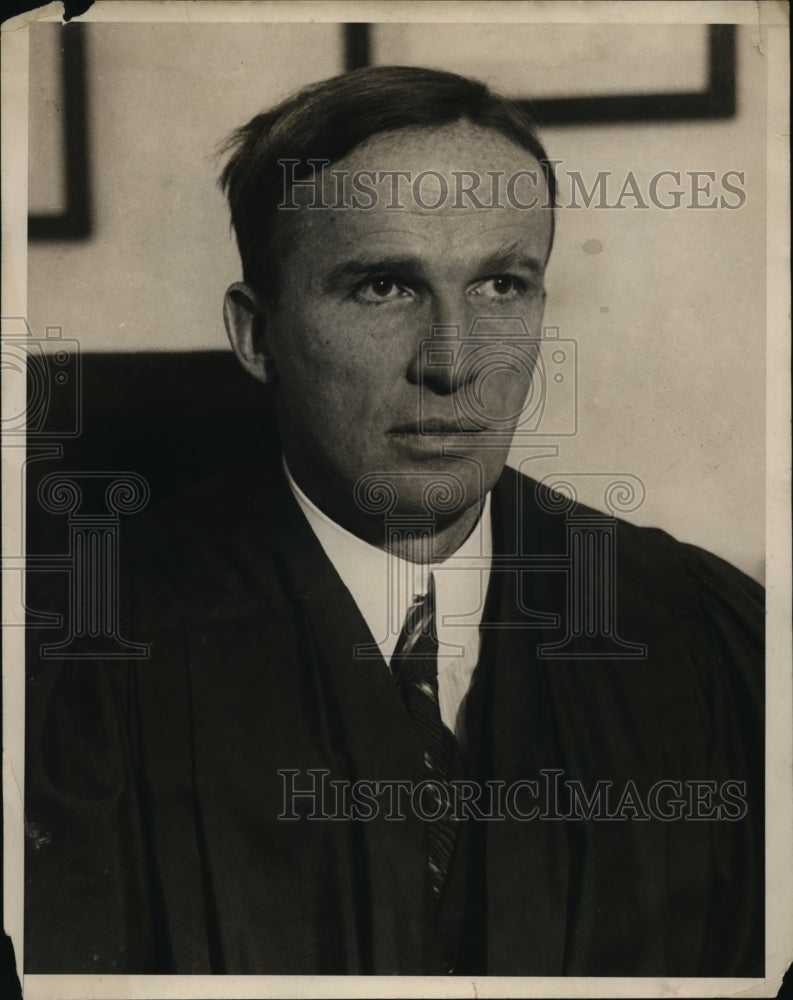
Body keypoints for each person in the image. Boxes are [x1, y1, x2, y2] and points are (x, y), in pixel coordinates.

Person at [24, 66, 763, 977]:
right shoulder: (79, 664)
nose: (453, 363)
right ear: (258, 336)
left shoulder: (704, 639)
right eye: (382, 287)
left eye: (500, 285)